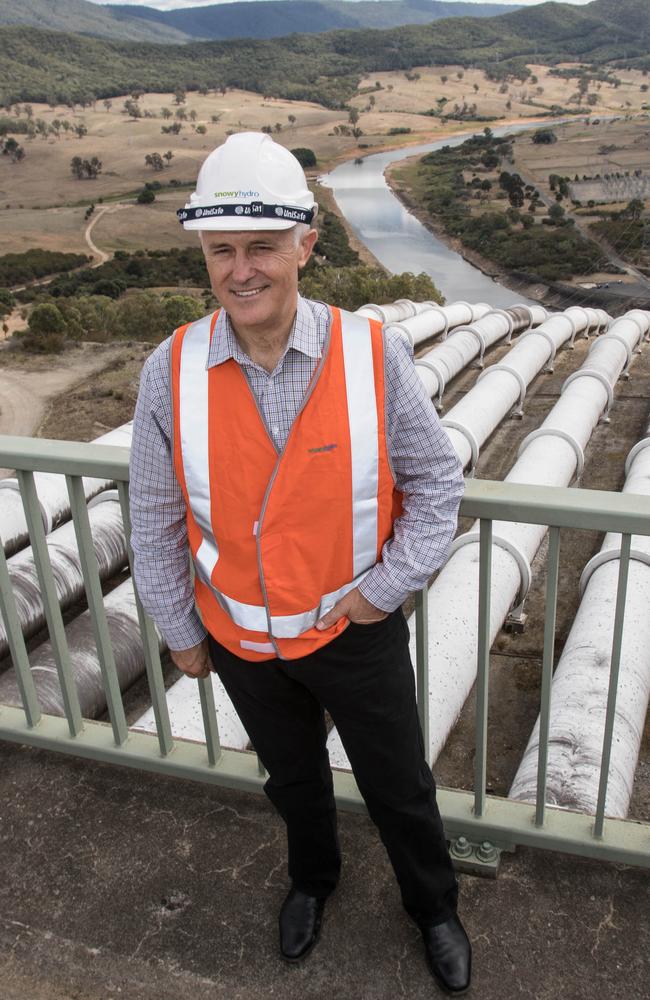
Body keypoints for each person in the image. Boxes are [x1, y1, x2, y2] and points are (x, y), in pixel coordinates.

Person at [129, 132, 471, 995]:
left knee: (398, 784)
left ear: (306, 247)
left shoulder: (371, 353)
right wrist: (179, 629)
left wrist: (381, 594)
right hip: (242, 640)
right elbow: (155, 515)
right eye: (222, 250)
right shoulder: (169, 372)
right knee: (292, 779)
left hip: (352, 632)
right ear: (206, 254)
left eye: (262, 248)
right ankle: (312, 881)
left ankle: (433, 907)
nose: (242, 270)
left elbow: (435, 484)